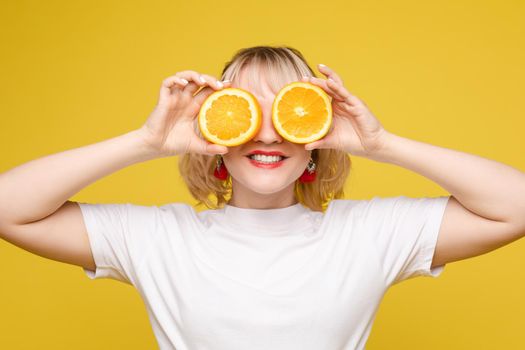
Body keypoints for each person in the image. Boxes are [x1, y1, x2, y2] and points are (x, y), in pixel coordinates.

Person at [0, 45, 524, 350]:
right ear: (214, 129)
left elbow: (516, 205)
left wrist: (380, 144)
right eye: (245, 111)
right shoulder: (158, 238)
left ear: (318, 133)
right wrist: (147, 142)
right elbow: (9, 208)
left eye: (290, 113)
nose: (269, 135)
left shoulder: (368, 233)